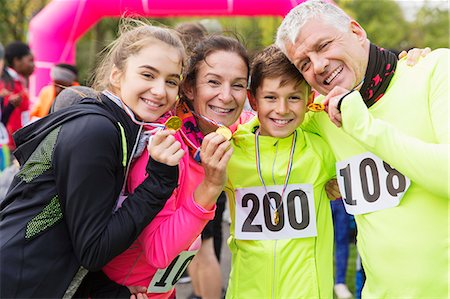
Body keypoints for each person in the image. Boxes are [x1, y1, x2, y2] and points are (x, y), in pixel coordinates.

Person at [0, 22, 186, 298]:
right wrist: (160, 180)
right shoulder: (98, 131)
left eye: (171, 81)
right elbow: (93, 249)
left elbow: (75, 235)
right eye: (148, 75)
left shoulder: (122, 129)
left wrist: (111, 290)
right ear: (116, 75)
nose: (160, 90)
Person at [276, 1, 448, 297]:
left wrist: (364, 127)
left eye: (324, 45)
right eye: (304, 63)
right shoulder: (321, 117)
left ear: (356, 31)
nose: (318, 65)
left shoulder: (433, 70)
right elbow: (258, 135)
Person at [224, 45, 336, 298]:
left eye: (294, 97)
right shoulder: (232, 151)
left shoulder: (322, 150)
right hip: (244, 291)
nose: (282, 109)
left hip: (307, 292)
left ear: (309, 100)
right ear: (253, 100)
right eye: (271, 98)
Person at [1, 41, 32, 150]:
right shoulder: (7, 84)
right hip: (9, 145)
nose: (32, 65)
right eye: (30, 60)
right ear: (17, 61)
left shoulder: (19, 82)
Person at [330, 198, 352, 299]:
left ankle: (340, 282)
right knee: (318, 242)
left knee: (342, 240)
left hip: (341, 198)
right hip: (321, 197)